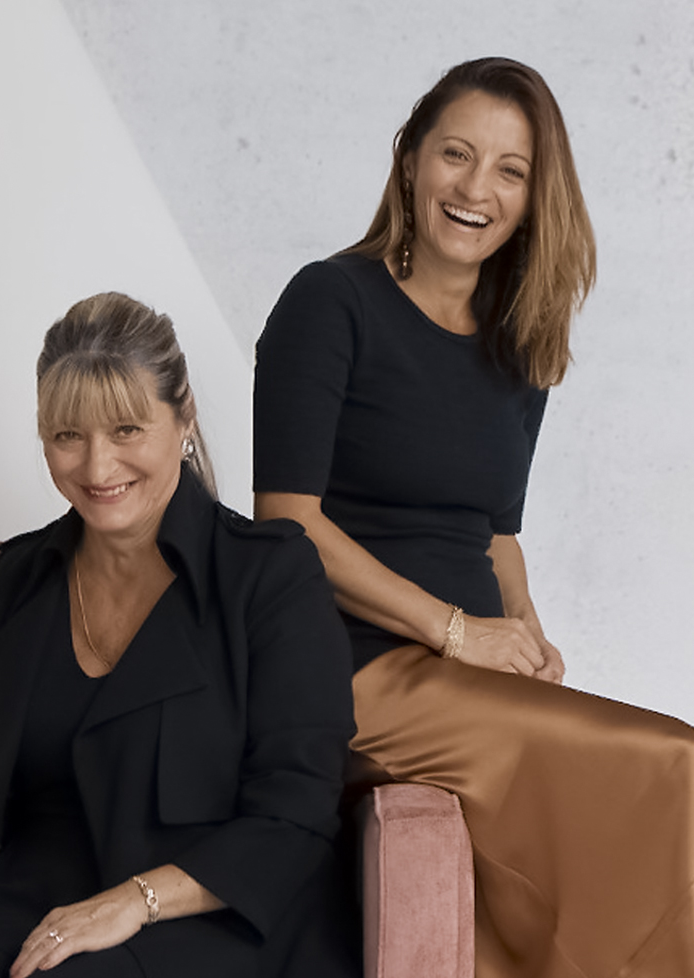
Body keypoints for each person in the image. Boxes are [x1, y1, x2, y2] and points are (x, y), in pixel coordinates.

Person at [253, 57, 694, 978]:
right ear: (410, 158)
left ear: (533, 201)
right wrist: (458, 633)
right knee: (676, 765)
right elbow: (288, 524)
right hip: (348, 671)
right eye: (456, 154)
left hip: (466, 675)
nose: (475, 189)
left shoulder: (519, 341)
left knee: (626, 801)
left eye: (509, 170)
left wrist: (529, 637)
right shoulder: (330, 302)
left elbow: (495, 534)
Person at [0, 293, 359, 978]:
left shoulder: (272, 575)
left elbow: (295, 814)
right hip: (34, 899)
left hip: (214, 911)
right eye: (69, 436)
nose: (97, 469)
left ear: (183, 418)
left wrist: (134, 902)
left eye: (126, 430)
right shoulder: (17, 579)